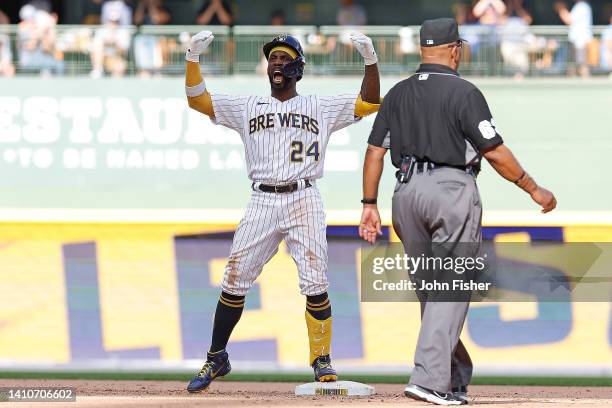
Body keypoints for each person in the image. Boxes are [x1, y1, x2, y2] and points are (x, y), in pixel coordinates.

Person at [359, 18, 556, 406]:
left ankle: (451, 377)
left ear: (422, 49)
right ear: (455, 49)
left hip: (406, 192)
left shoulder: (397, 93)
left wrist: (369, 205)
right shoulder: (464, 91)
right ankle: (430, 381)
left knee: (434, 292)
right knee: (452, 286)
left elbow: (374, 152)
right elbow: (494, 151)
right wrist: (533, 188)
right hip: (451, 188)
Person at [183, 30, 380, 393]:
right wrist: (192, 59)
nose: (277, 62)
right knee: (234, 277)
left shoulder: (318, 106)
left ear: (299, 67)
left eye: (285, 57)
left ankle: (321, 359)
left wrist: (370, 60)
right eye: (272, 57)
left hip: (303, 197)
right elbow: (199, 101)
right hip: (262, 198)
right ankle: (217, 356)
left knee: (315, 281)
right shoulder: (248, 106)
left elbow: (369, 103)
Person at [90, 6, 131, 77]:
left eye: (115, 21)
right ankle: (98, 70)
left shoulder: (123, 32)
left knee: (120, 67)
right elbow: (95, 47)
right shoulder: (101, 30)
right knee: (98, 52)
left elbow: (123, 51)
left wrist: (115, 43)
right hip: (102, 58)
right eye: (111, 21)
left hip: (115, 58)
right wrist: (106, 43)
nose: (113, 23)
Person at [555, 0, 593, 77]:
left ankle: (587, 83)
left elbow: (568, 20)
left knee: (582, 64)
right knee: (572, 65)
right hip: (575, 41)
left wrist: (561, 8)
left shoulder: (582, 6)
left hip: (580, 41)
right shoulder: (580, 6)